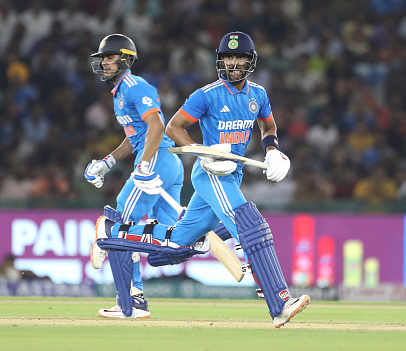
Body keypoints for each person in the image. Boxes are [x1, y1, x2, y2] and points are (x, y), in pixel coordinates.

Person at [91, 32, 309, 328]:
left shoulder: (258, 94)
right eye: (229, 58)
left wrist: (272, 150)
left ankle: (112, 232)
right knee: (250, 224)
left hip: (233, 173)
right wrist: (202, 152)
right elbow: (172, 127)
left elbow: (267, 123)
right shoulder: (206, 95)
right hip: (210, 173)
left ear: (250, 62)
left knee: (179, 241)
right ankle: (279, 302)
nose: (234, 63)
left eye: (240, 58)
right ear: (221, 61)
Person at [85, 34, 184, 318]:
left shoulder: (134, 85)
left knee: (118, 226)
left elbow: (156, 125)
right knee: (171, 243)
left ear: (126, 59)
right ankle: (207, 233)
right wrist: (108, 161)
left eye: (110, 57)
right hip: (167, 163)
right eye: (103, 58)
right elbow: (135, 136)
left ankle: (133, 300)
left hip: (157, 162)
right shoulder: (120, 92)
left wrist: (144, 165)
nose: (104, 62)